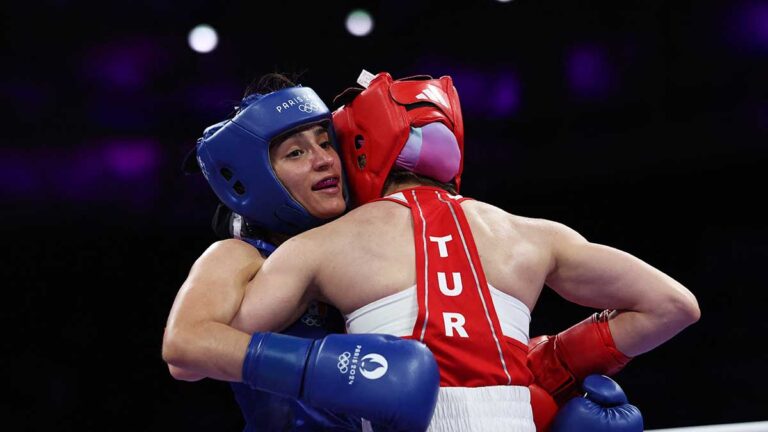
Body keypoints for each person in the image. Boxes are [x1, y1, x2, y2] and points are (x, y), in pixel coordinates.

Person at [220, 71, 699, 431]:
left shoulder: (320, 245)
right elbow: (675, 306)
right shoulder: (533, 233)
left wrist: (328, 375)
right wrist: (553, 362)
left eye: (328, 146)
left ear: (357, 151)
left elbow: (220, 347)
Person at [162, 73, 440, 431]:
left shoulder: (370, 249)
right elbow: (183, 348)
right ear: (256, 176)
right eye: (296, 152)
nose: (324, 160)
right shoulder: (241, 256)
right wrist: (323, 368)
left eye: (326, 144)